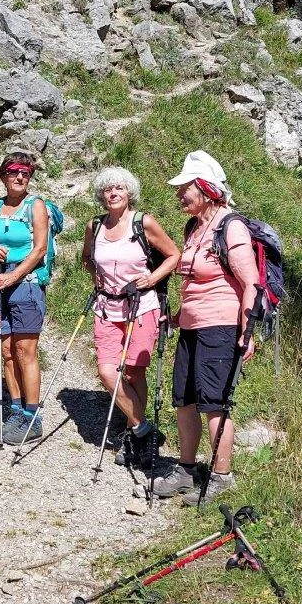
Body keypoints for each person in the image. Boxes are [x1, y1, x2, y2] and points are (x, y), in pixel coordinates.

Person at [153, 150, 259, 505]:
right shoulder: (194, 227)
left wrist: (247, 333)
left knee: (215, 404)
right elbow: (194, 284)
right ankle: (186, 470)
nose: (179, 194)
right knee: (184, 399)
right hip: (192, 328)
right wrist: (179, 317)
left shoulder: (232, 226)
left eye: (185, 188)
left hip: (222, 328)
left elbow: (251, 284)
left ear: (205, 188)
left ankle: (221, 475)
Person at [80, 167, 179, 468]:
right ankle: (143, 429)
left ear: (129, 193)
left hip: (142, 305)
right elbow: (86, 257)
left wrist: (152, 278)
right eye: (108, 190)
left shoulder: (143, 223)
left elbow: (174, 254)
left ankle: (130, 433)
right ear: (101, 195)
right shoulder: (94, 226)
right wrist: (96, 276)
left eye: (119, 189)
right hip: (107, 306)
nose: (113, 194)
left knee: (134, 372)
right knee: (107, 371)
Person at [0, 151, 50, 445]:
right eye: (14, 172)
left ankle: (32, 416)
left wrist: (13, 275)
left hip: (26, 284)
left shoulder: (36, 206)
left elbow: (40, 249)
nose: (20, 177)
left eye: (26, 173)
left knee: (25, 350)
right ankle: (16, 409)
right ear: (3, 175)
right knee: (6, 350)